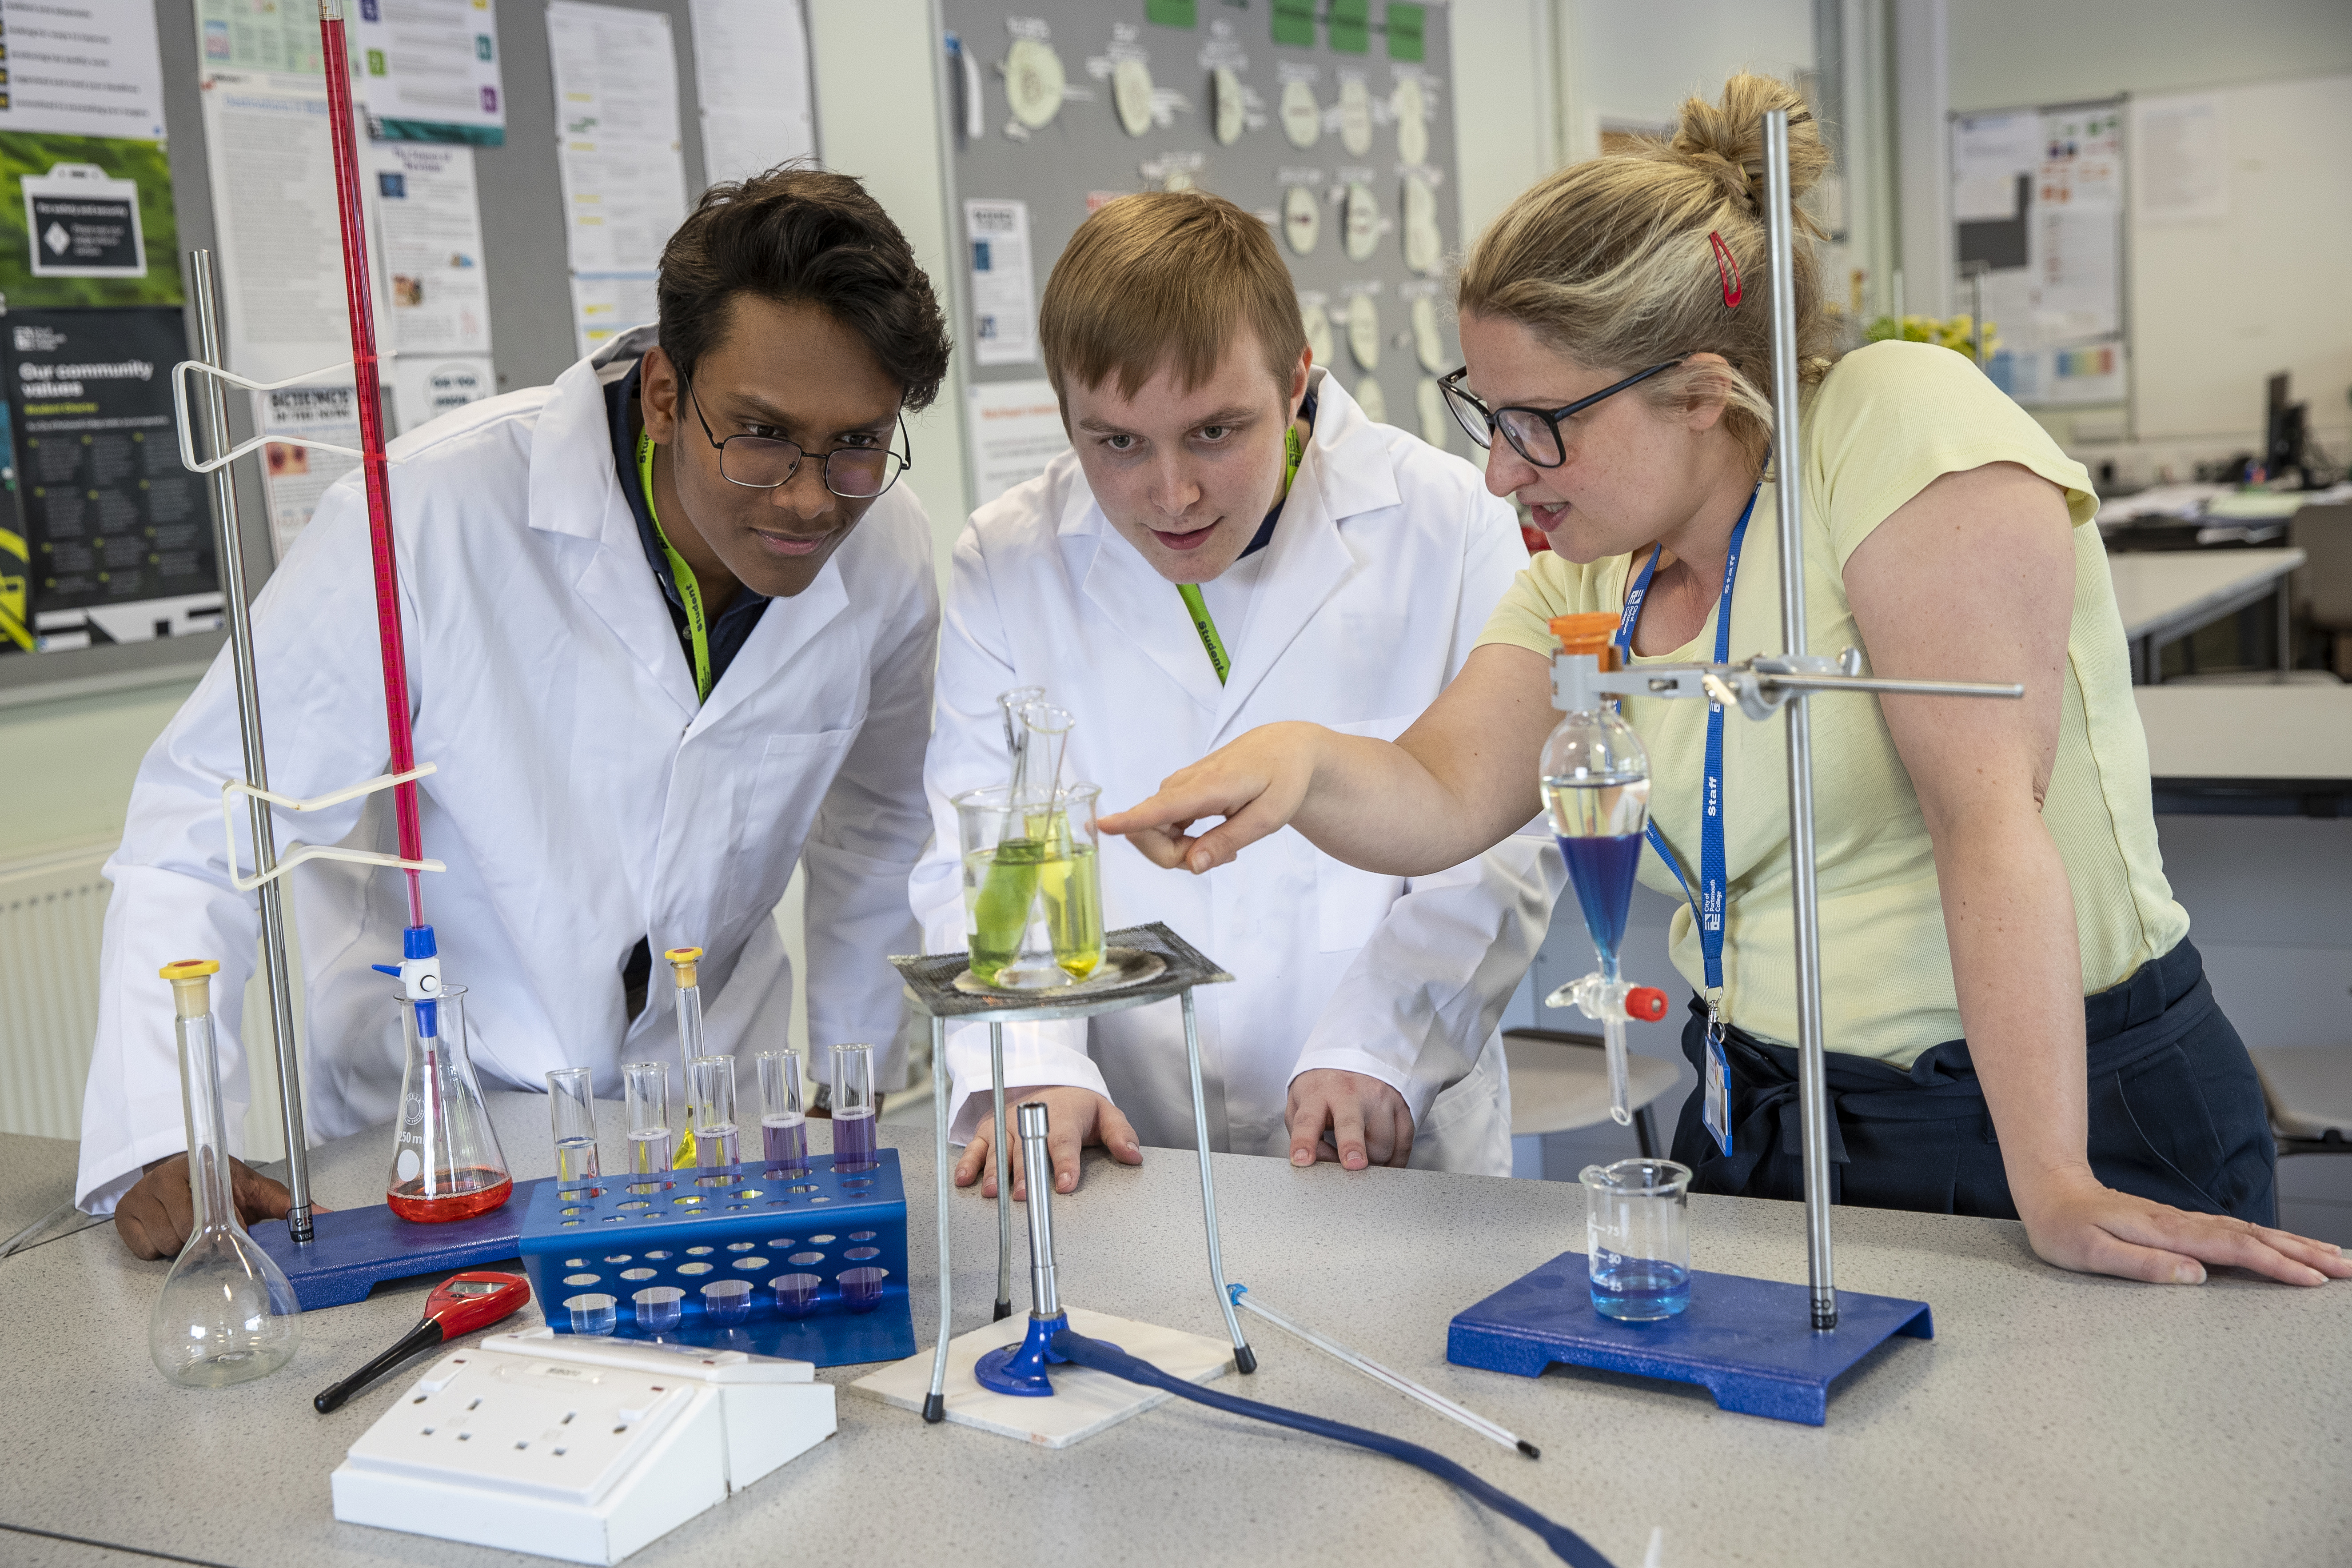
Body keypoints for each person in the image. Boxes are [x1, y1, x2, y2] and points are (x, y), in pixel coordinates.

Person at [1100, 79, 2349, 1289]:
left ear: (1699, 391)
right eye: (1485, 414)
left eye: (1539, 423)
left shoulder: (1882, 430)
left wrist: (2056, 1181)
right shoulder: (1587, 585)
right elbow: (1437, 790)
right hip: (1764, 1121)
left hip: (2041, 1112)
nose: (1498, 473)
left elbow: (1988, 827)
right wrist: (1302, 760)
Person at [84, 167, 953, 1257]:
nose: (812, 496)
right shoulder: (426, 520)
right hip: (453, 1133)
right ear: (667, 394)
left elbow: (879, 830)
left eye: (859, 442)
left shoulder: (887, 543)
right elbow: (199, 830)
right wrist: (168, 1133)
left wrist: (841, 1091)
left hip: (714, 1118)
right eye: (763, 434)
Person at [911, 191, 1560, 1199]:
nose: (1172, 494)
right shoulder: (1008, 558)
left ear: (1298, 381)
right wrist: (1029, 1058)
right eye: (1116, 442)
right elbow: (982, 848)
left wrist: (1382, 1042)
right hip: (1116, 1136)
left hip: (1384, 1120)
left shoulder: (1449, 522)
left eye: (1216, 432)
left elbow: (1498, 837)